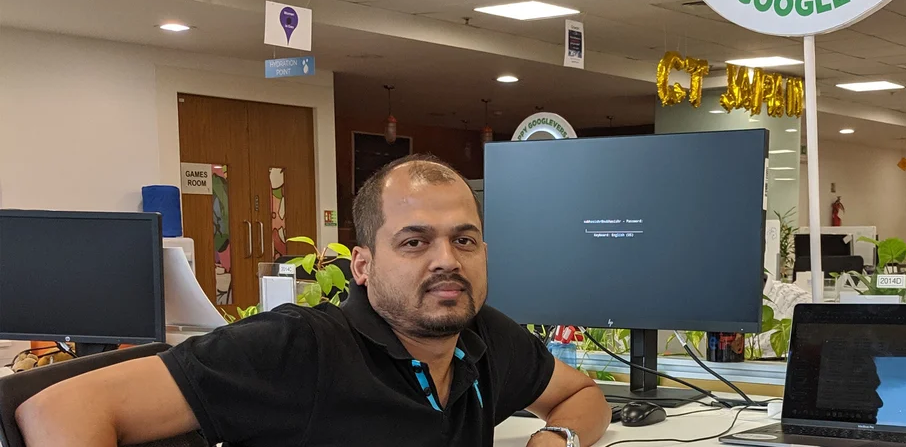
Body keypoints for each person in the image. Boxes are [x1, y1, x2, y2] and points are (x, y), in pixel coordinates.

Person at [16, 154, 610, 446]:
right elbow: (55, 410)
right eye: (414, 242)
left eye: (464, 240)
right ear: (363, 265)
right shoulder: (300, 348)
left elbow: (583, 395)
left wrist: (554, 440)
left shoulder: (482, 339)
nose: (446, 260)